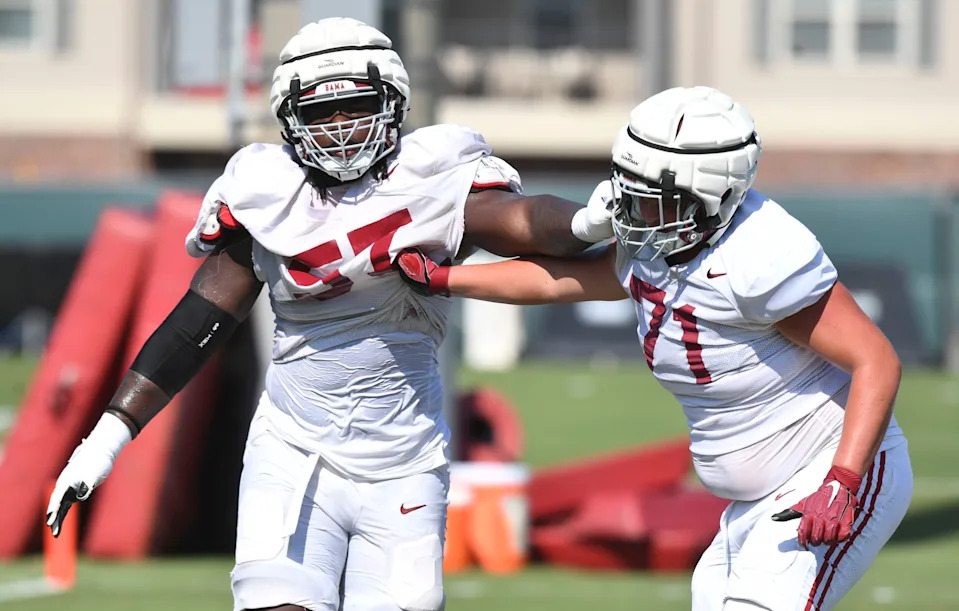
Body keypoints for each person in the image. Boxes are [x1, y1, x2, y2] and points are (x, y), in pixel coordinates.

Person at [44, 17, 615, 611]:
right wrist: (104, 441)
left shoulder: (434, 177)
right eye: (321, 114)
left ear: (391, 104)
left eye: (355, 107)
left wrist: (585, 222)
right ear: (291, 122)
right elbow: (194, 327)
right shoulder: (268, 191)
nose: (339, 128)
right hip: (293, 452)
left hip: (404, 464)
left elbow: (524, 222)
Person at [395, 86, 913, 611]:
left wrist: (842, 481)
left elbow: (876, 359)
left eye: (650, 196)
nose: (631, 209)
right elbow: (561, 280)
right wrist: (448, 279)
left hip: (826, 473)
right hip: (752, 498)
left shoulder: (758, 256)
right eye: (628, 187)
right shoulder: (661, 235)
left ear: (710, 196)